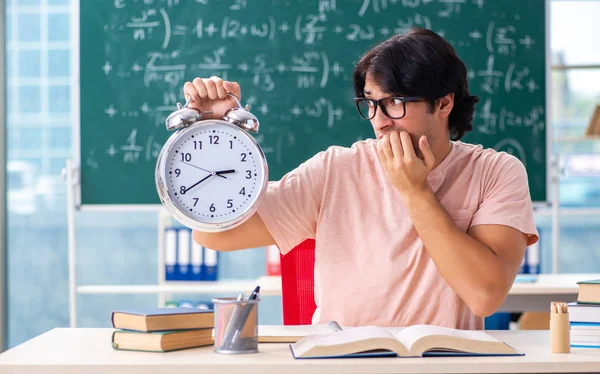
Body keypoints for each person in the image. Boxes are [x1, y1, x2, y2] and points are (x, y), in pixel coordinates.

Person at [184, 27, 539, 330]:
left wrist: (415, 191)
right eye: (371, 103)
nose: (380, 121)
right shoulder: (336, 169)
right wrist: (214, 134)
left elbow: (484, 296)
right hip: (341, 372)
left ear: (444, 104)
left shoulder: (496, 172)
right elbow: (214, 233)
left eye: (395, 102)